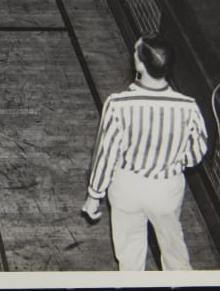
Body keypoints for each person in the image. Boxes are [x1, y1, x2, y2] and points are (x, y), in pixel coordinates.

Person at [82, 34, 209, 271]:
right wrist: (173, 161)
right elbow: (198, 151)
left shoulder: (117, 104)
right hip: (166, 189)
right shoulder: (188, 106)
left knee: (129, 255)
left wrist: (94, 195)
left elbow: (105, 155)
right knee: (175, 252)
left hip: (127, 187)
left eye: (135, 51)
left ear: (140, 65)